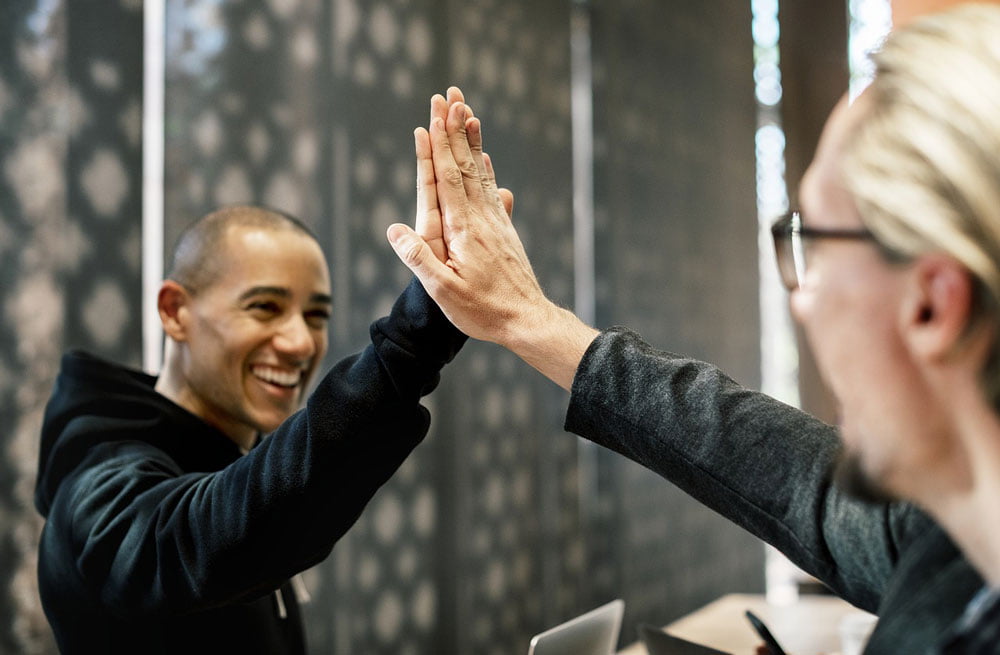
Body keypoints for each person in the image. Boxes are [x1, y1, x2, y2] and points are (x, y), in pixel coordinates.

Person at [386, 5, 1000, 653]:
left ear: (932, 305)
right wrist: (530, 321)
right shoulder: (956, 537)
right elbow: (793, 477)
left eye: (811, 245)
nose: (801, 301)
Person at [34, 204, 466, 653]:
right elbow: (198, 539)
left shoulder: (232, 455)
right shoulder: (93, 488)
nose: (300, 343)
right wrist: (411, 345)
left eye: (315, 316)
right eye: (264, 307)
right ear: (174, 311)